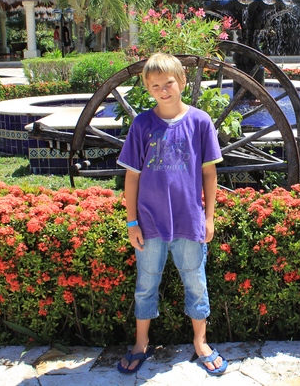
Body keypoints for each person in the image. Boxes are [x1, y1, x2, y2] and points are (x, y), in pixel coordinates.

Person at [116, 53, 228, 376]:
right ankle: (141, 343)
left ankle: (200, 342)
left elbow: (209, 173)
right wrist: (132, 222)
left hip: (189, 221)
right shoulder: (142, 125)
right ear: (147, 89)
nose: (163, 90)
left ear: (181, 81)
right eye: (155, 86)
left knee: (196, 282)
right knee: (146, 284)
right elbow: (132, 177)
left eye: (168, 83)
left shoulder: (200, 122)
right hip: (149, 223)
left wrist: (209, 217)